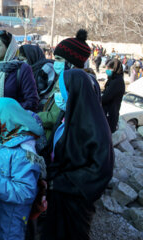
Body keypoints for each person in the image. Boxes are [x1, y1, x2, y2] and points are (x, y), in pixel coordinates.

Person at [41, 69, 113, 240]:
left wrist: (59, 183)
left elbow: (100, 172)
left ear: (72, 92)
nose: (56, 95)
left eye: (60, 91)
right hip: (57, 197)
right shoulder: (67, 116)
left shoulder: (96, 130)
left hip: (75, 204)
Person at [0, 97, 46, 240]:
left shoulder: (23, 153)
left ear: (2, 120)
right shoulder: (3, 139)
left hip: (10, 222)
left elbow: (25, 192)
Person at [0, 30, 39, 135]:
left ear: (9, 48)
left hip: (13, 130)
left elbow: (32, 102)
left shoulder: (22, 69)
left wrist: (4, 109)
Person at [102, 59, 125, 133]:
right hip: (108, 113)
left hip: (110, 114)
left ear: (114, 69)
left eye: (109, 68)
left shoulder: (117, 82)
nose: (107, 70)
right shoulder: (113, 79)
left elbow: (105, 98)